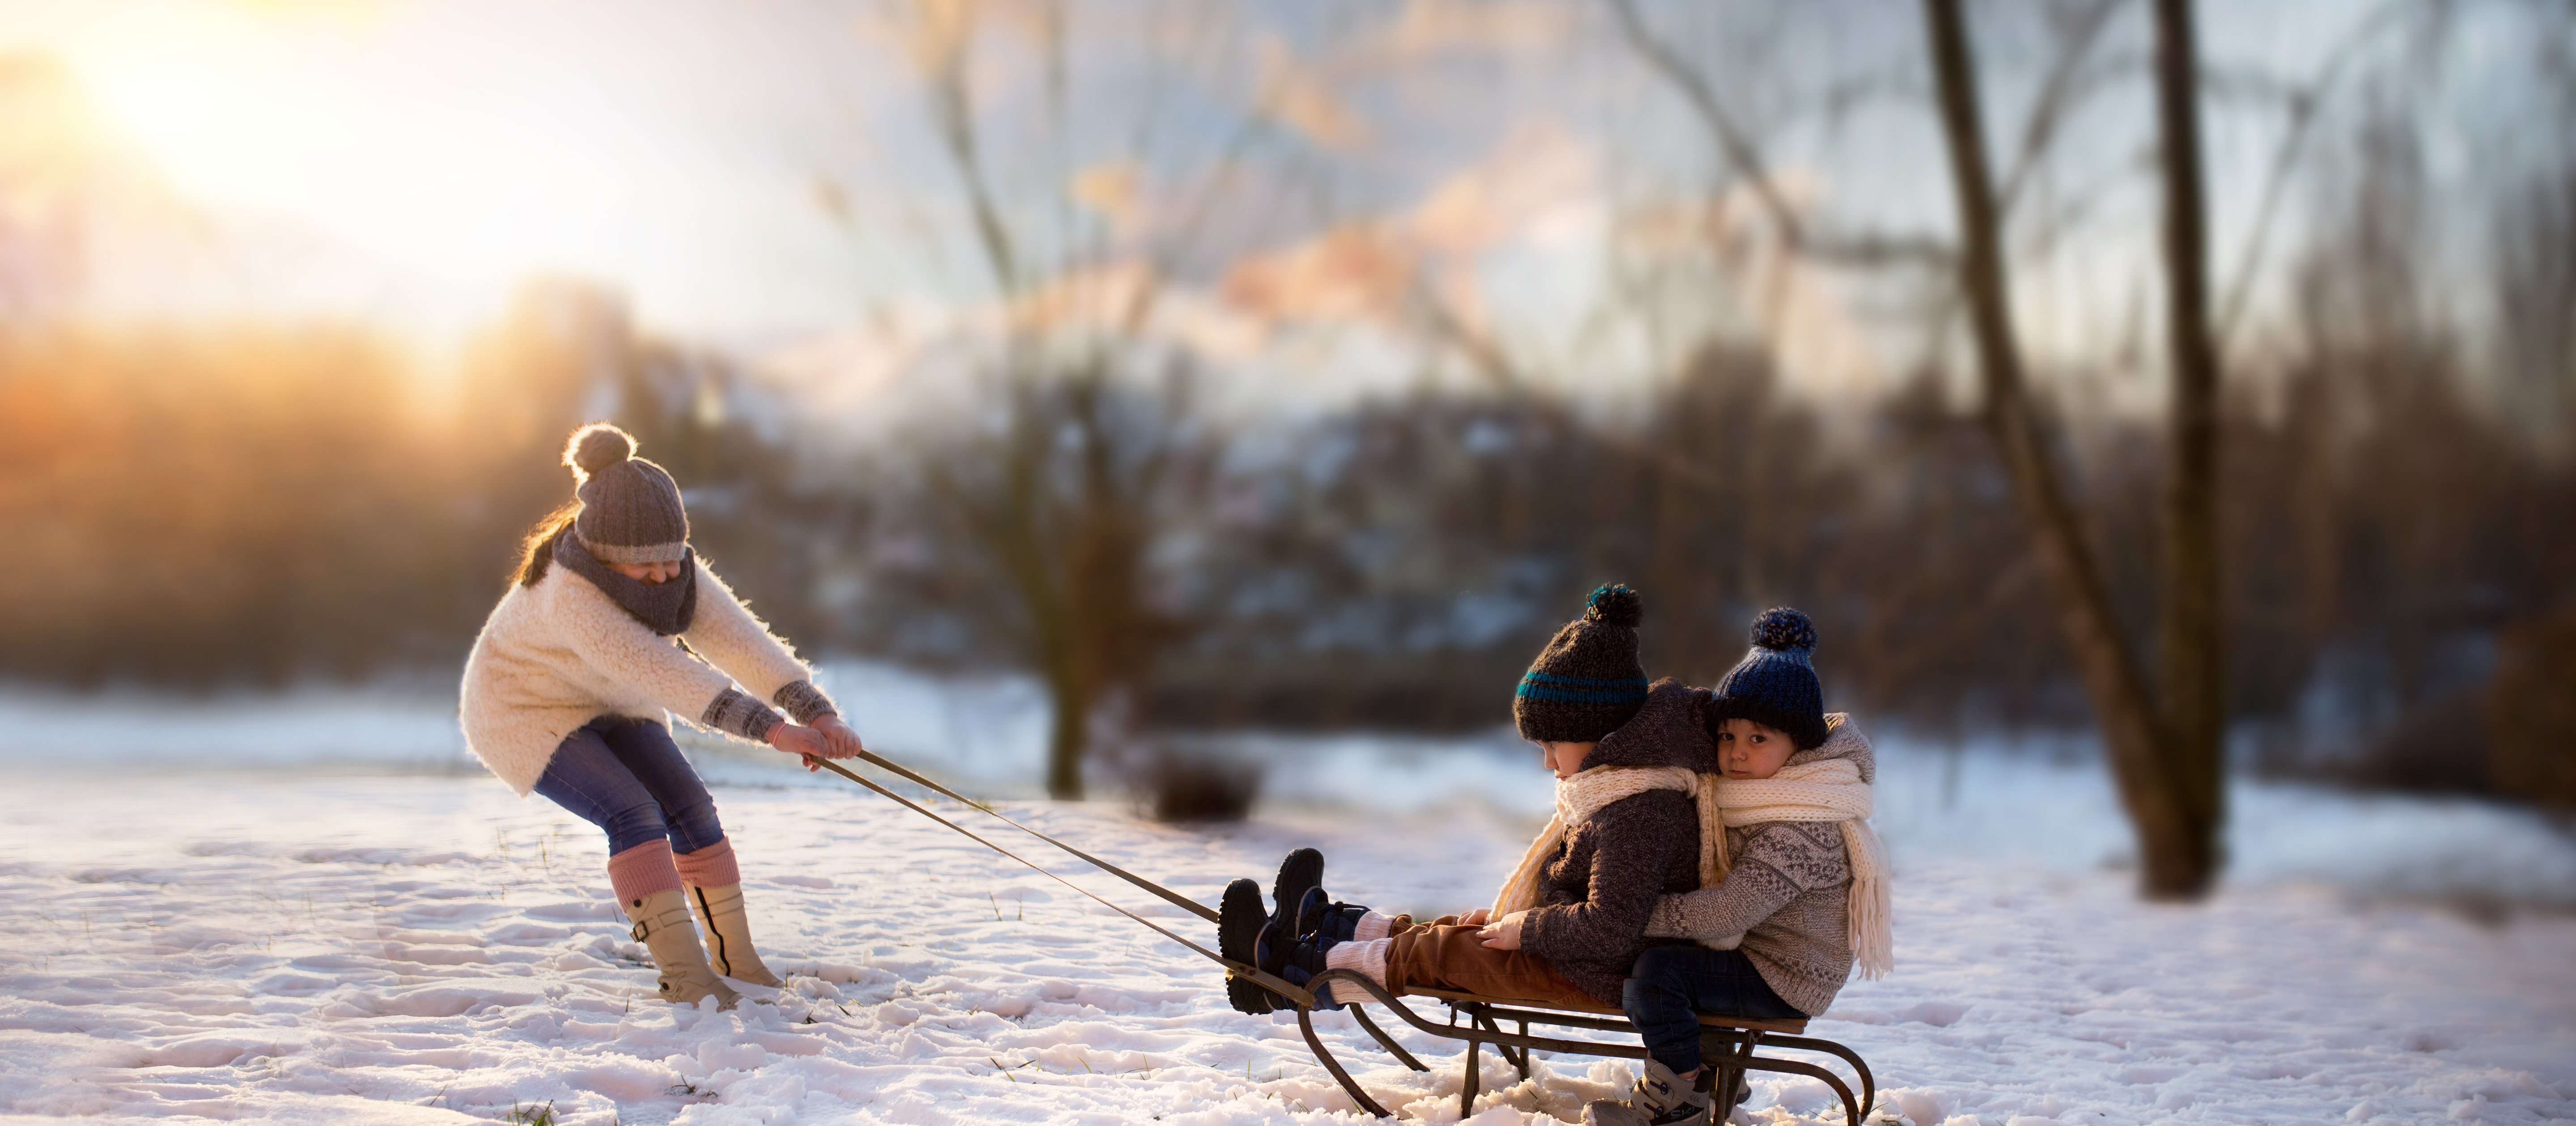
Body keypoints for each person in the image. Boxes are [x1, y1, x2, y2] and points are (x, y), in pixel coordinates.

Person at [459, 423, 862, 1010]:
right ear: (605, 554)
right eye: (646, 565)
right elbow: (665, 672)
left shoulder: (674, 571)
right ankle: (687, 979)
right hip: (522, 708)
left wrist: (816, 712)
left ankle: (738, 962)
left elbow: (739, 642)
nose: (664, 575)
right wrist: (775, 731)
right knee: (634, 812)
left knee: (692, 808)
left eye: (672, 558)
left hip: (612, 698)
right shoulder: (570, 592)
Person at [1215, 585, 1726, 1025]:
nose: (1548, 762)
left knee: (1442, 952)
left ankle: (1289, 973)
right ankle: (1329, 926)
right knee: (1458, 931)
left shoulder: (1638, 810)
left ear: (1601, 732)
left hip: (1600, 971)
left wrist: (1527, 927)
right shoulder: (1619, 788)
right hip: (1584, 954)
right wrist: (1524, 921)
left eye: (1554, 745)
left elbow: (1609, 927)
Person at [1585, 609, 1893, 1126]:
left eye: (1758, 739)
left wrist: (1625, 912)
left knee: (1659, 975)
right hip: (1758, 952)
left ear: (1799, 746)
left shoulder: (1803, 826)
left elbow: (1725, 913)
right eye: (1728, 736)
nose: (1737, 753)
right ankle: (1711, 1065)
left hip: (1786, 974)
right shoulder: (1752, 798)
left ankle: (1677, 1097)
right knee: (1668, 960)